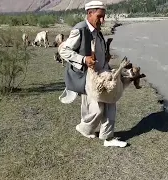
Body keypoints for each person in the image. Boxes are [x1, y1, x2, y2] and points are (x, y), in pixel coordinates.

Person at [59, 0, 127, 148]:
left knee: (109, 103)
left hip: (101, 75)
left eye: (104, 17)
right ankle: (86, 128)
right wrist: (83, 59)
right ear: (89, 13)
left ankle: (106, 137)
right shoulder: (80, 29)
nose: (102, 20)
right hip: (89, 77)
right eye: (99, 16)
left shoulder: (97, 30)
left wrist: (105, 58)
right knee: (96, 109)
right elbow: (63, 50)